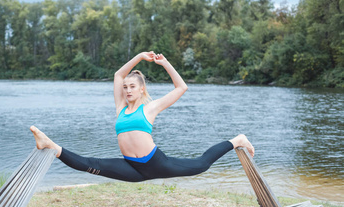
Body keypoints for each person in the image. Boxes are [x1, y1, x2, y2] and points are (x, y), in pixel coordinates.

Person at [30, 51, 254, 182]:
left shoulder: (150, 108)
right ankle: (51, 145)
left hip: (156, 164)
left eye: (132, 87)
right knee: (89, 164)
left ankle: (237, 140)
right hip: (132, 168)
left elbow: (181, 87)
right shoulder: (120, 107)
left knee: (202, 164)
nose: (127, 90)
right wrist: (138, 57)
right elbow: (118, 74)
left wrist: (164, 63)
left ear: (141, 90)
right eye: (125, 87)